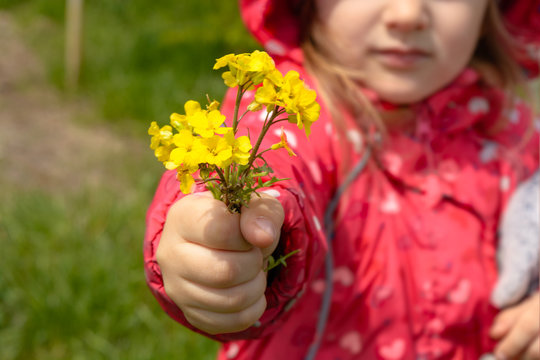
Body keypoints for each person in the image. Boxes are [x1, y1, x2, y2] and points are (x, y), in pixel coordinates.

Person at [144, 0, 540, 359]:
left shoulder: (515, 133)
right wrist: (217, 230)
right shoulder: (289, 107)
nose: (407, 14)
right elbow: (266, 164)